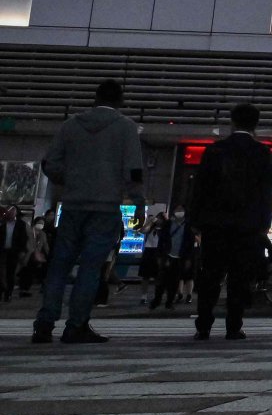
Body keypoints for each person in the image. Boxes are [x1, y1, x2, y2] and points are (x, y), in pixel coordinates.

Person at [33, 79, 144, 345]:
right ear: (120, 101)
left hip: (72, 205)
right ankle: (76, 325)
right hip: (105, 207)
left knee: (59, 266)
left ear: (95, 97)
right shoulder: (126, 128)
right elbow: (134, 170)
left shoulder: (70, 126)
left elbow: (49, 163)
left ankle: (45, 323)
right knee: (91, 268)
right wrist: (138, 202)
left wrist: (70, 179)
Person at [188, 103, 272, 341]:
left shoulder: (215, 150)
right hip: (246, 226)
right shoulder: (261, 153)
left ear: (232, 122)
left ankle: (203, 325)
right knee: (239, 278)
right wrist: (263, 222)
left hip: (215, 224)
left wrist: (196, 219)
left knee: (211, 275)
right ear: (256, 125)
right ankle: (233, 326)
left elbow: (201, 188)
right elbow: (266, 191)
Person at [150, 206, 194, 310]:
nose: (179, 213)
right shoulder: (168, 224)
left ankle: (169, 302)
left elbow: (190, 243)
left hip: (180, 257)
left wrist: (188, 258)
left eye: (181, 211)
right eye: (177, 210)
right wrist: (160, 255)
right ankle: (157, 300)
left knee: (174, 282)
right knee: (161, 280)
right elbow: (162, 240)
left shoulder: (188, 226)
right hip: (167, 255)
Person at [136, 211, 166, 305]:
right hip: (148, 251)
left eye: (160, 218)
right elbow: (142, 231)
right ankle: (143, 296)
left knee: (158, 276)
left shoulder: (165, 230)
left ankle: (156, 296)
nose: (158, 220)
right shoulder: (151, 228)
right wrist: (150, 221)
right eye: (158, 218)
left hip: (159, 252)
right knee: (145, 276)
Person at [18, 216, 51, 297]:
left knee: (33, 272)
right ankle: (23, 289)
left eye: (42, 223)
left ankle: (26, 289)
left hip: (36, 256)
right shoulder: (29, 231)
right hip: (28, 254)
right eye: (39, 223)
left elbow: (45, 245)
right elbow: (27, 244)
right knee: (26, 271)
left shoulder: (43, 234)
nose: (41, 225)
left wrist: (48, 254)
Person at [1, 206, 26, 302]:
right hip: (2, 250)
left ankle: (8, 293)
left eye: (12, 212)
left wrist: (22, 251)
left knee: (10, 273)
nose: (10, 214)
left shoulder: (20, 225)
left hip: (14, 251)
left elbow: (23, 238)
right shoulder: (2, 224)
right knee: (2, 272)